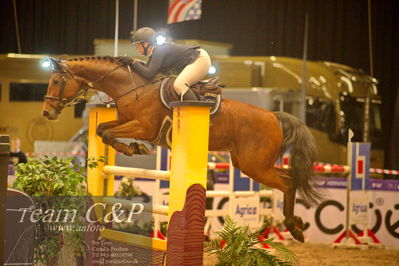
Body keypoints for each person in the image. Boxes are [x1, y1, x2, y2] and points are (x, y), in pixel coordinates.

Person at [120, 27, 212, 101]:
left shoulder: (159, 50)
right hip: (194, 59)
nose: (136, 48)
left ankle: (199, 114)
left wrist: (133, 62)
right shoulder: (155, 53)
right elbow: (146, 70)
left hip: (200, 59)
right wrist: (132, 63)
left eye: (137, 45)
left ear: (146, 44)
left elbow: (148, 74)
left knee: (179, 85)